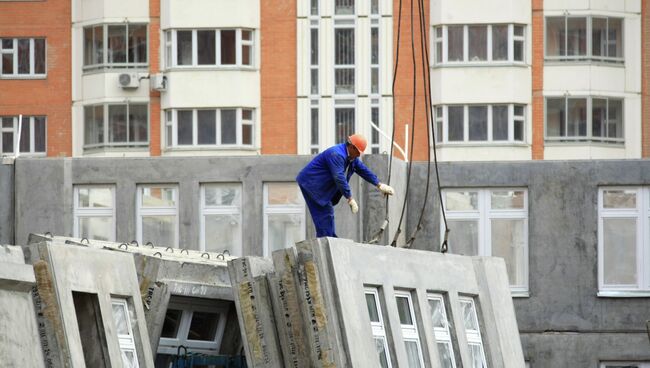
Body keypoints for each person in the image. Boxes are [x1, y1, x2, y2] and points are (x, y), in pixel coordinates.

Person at [296, 134, 394, 238]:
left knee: (326, 215)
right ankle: (326, 243)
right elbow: (339, 178)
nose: (358, 155)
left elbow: (363, 170)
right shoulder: (336, 154)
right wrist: (350, 198)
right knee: (325, 213)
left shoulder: (351, 156)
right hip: (311, 185)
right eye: (358, 152)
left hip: (318, 185)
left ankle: (328, 241)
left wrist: (379, 185)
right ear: (351, 147)